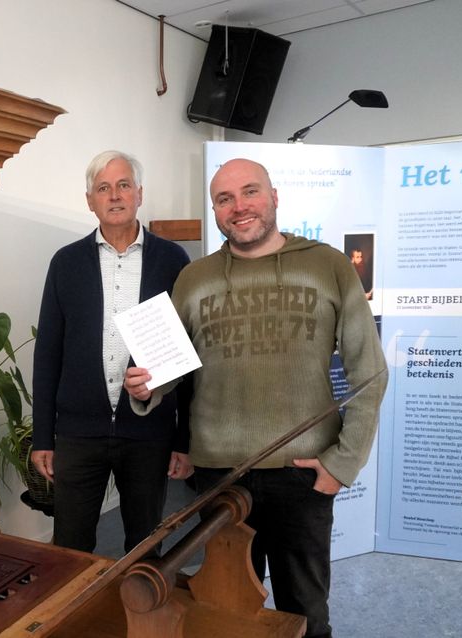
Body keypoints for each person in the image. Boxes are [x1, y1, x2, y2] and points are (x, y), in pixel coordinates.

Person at [125, 158, 387, 637]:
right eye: (224, 199)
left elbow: (369, 372)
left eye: (250, 192)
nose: (239, 207)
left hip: (302, 473)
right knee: (228, 605)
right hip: (220, 474)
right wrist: (145, 386)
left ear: (274, 197)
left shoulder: (328, 265)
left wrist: (342, 464)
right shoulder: (195, 278)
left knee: (305, 608)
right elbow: (168, 373)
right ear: (215, 210)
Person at [31, 150, 192, 554]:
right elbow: (48, 352)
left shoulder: (173, 260)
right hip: (78, 433)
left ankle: (142, 616)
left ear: (139, 193)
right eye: (103, 188)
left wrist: (183, 439)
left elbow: (188, 353)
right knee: (70, 545)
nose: (115, 195)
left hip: (149, 433)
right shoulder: (65, 263)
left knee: (145, 544)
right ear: (90, 200)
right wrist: (41, 437)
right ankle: (77, 617)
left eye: (123, 185)